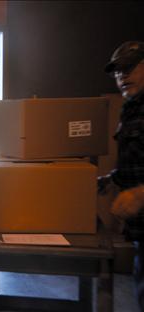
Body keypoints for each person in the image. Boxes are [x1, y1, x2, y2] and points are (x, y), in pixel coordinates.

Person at [98, 41, 144, 309]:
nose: (122, 76)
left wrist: (141, 194)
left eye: (129, 68)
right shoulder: (131, 108)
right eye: (117, 72)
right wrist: (110, 181)